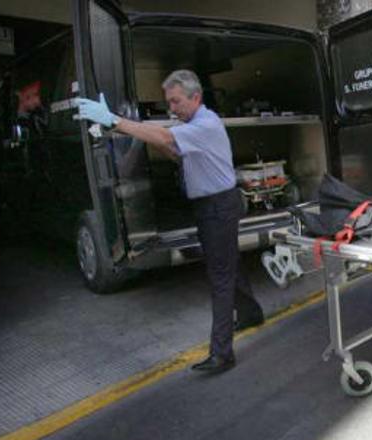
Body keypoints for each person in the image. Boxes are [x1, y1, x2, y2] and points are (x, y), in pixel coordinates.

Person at [76, 70, 265, 373]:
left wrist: (113, 119)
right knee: (228, 263)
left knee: (220, 276)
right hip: (211, 206)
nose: (171, 108)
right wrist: (122, 130)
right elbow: (174, 149)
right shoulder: (192, 125)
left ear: (195, 97)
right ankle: (251, 313)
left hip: (218, 207)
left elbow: (164, 136)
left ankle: (222, 353)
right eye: (168, 102)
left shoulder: (206, 123)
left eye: (176, 102)